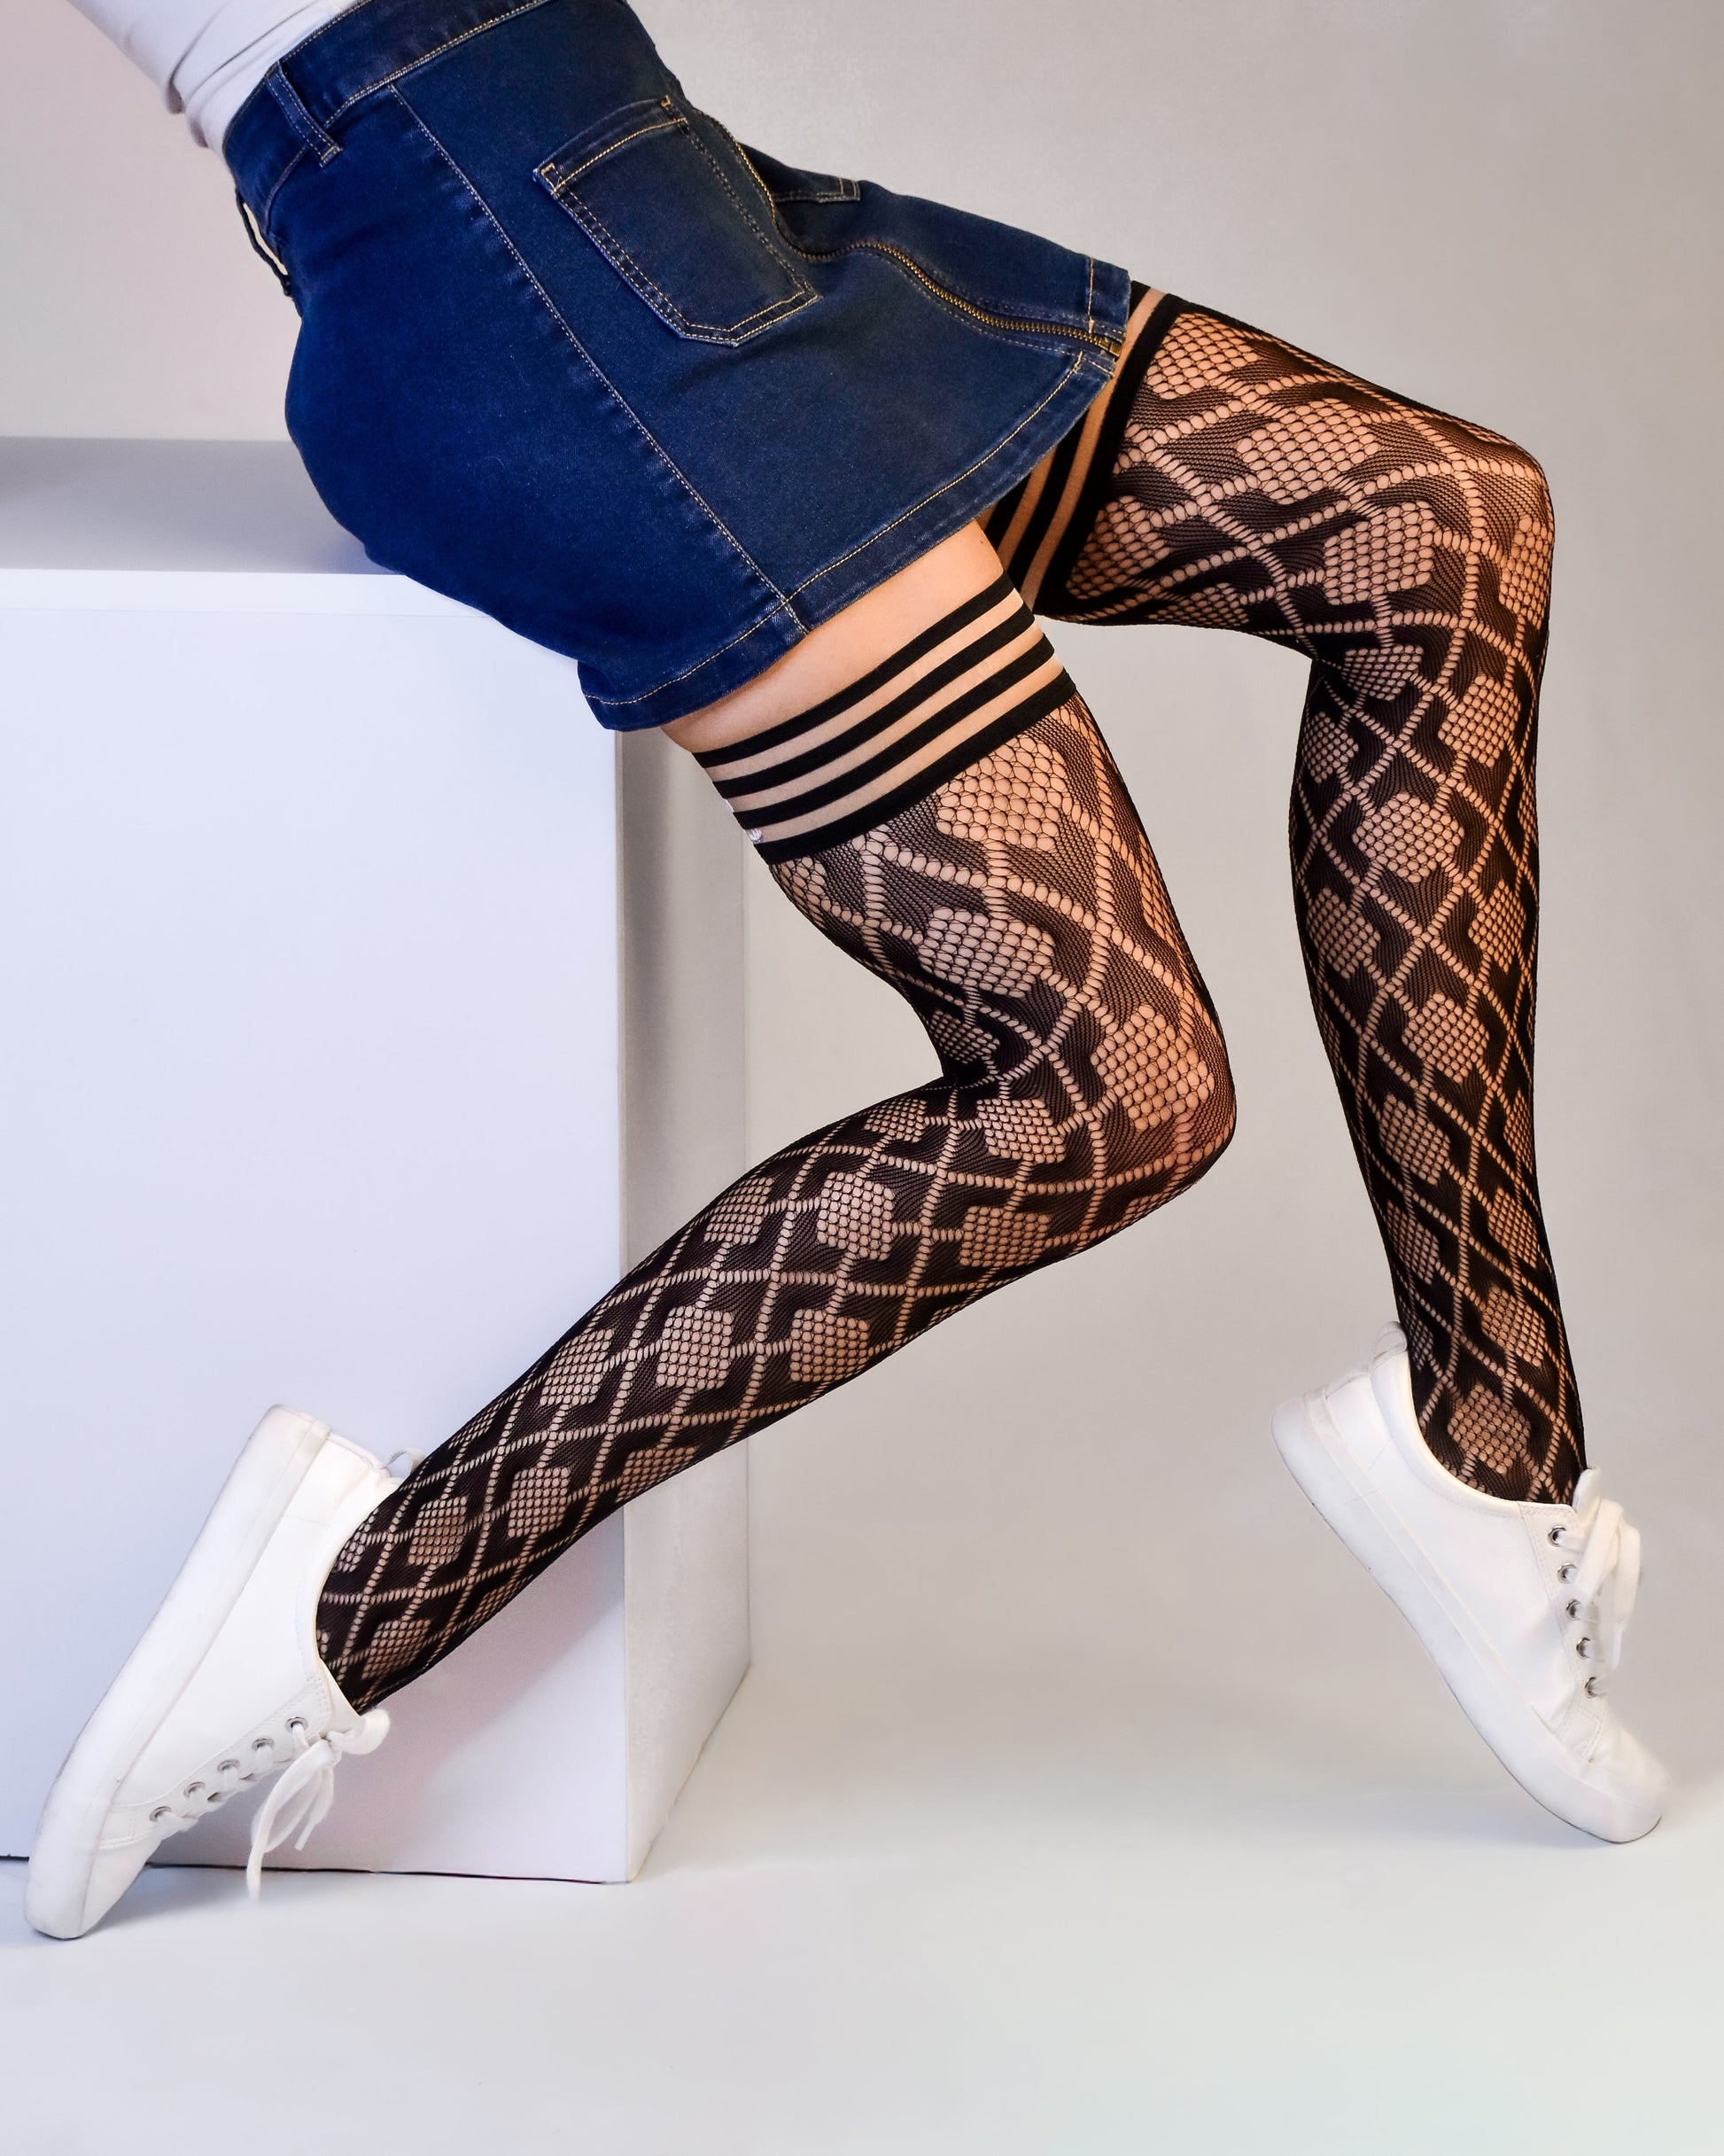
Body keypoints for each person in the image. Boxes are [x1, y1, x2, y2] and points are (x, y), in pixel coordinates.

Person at [26, 0, 1661, 1942]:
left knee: (1439, 530)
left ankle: (1490, 1447)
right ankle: (355, 1594)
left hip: (641, 180)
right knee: (1108, 1086)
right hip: (510, 240)